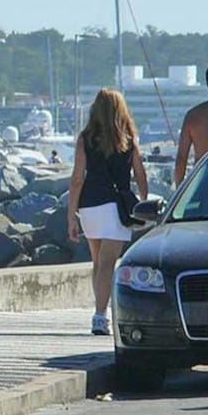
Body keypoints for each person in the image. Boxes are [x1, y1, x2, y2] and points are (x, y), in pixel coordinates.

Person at [67, 88, 148, 335]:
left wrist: (71, 214)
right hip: (115, 206)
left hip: (90, 204)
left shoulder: (86, 138)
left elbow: (77, 178)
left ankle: (100, 311)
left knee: (98, 262)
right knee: (107, 264)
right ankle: (100, 316)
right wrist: (144, 200)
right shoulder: (128, 138)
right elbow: (140, 172)